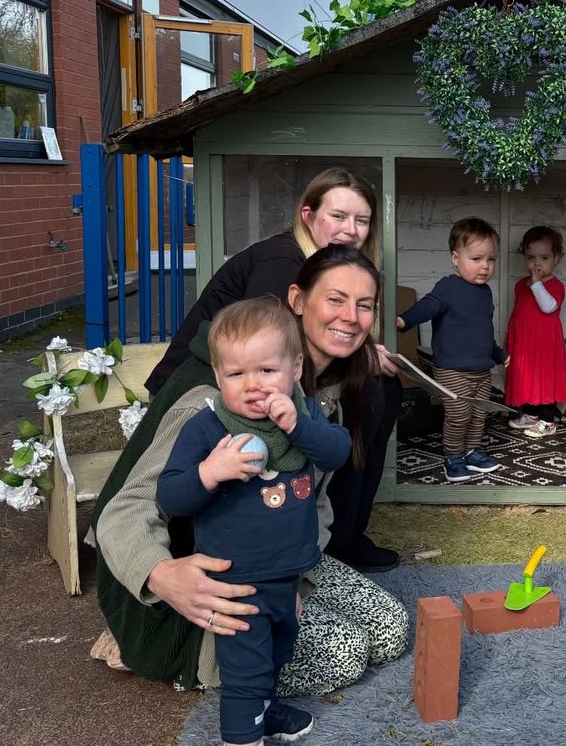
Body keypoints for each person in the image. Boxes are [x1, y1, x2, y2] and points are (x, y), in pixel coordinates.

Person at [92, 246, 409, 705]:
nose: (351, 317)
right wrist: (161, 575)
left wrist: (300, 577)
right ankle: (219, 669)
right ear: (298, 300)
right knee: (347, 654)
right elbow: (126, 507)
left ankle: (288, 611)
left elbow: (314, 497)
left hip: (284, 562)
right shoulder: (212, 404)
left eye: (364, 305)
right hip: (216, 576)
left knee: (391, 631)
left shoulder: (315, 399)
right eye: (336, 300)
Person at [144, 167, 401, 573]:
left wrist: (362, 349)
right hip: (211, 382)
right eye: (338, 216)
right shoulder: (284, 262)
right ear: (308, 216)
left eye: (362, 221)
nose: (351, 230)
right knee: (362, 394)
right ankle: (333, 537)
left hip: (277, 380)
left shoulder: (329, 267)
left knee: (378, 391)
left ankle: (343, 534)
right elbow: (264, 344)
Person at [157, 297, 352, 746]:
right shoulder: (207, 428)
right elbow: (170, 496)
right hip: (235, 583)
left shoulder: (304, 415)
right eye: (235, 374)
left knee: (278, 651)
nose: (252, 386)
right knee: (245, 672)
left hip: (287, 574)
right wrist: (209, 472)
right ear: (217, 377)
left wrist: (297, 426)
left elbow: (337, 453)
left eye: (266, 371)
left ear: (295, 368)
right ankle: (243, 736)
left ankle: (266, 709)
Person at [396, 217, 507, 483]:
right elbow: (428, 306)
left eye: (491, 260)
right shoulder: (448, 287)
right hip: (452, 369)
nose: (485, 266)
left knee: (479, 413)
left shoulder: (485, 293)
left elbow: (483, 332)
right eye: (477, 258)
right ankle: (453, 457)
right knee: (459, 414)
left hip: (481, 369)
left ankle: (472, 450)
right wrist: (404, 320)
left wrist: (499, 355)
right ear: (456, 258)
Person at [504, 226, 566, 440]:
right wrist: (509, 340)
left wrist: (537, 283)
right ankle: (531, 415)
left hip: (545, 345)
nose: (537, 263)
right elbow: (517, 313)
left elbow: (548, 307)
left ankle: (548, 420)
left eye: (544, 257)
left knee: (544, 379)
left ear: (556, 259)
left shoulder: (555, 285)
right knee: (527, 377)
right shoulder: (520, 285)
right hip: (525, 343)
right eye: (531, 257)